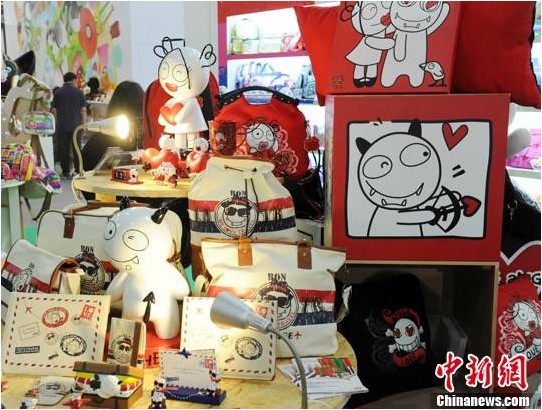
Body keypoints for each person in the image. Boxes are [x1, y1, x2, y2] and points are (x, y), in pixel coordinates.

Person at [51, 72, 88, 177]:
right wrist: (84, 124)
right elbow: (83, 110)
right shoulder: (79, 92)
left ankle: (65, 171)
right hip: (77, 126)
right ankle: (78, 170)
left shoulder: (58, 92)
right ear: (73, 80)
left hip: (62, 126)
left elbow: (54, 111)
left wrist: (55, 124)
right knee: (77, 148)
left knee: (64, 149)